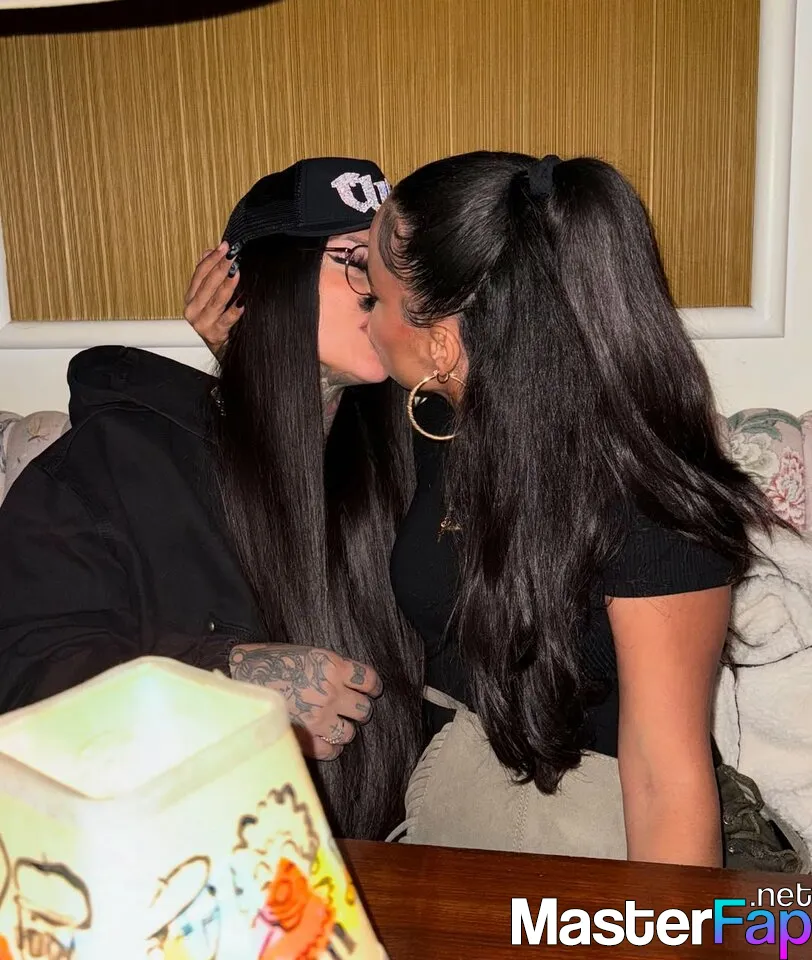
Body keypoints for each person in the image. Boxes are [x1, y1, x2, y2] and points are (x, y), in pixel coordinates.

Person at [353, 151, 784, 867]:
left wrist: (658, 927)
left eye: (373, 297)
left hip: (598, 842)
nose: (365, 320)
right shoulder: (443, 420)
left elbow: (664, 782)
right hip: (463, 806)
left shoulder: (650, 501)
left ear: (440, 340)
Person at [0, 158, 423, 840]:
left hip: (411, 852)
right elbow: (29, 672)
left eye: (397, 265)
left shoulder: (416, 449)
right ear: (252, 286)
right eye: (354, 259)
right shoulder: (117, 460)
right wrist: (223, 676)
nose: (383, 286)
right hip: (202, 852)